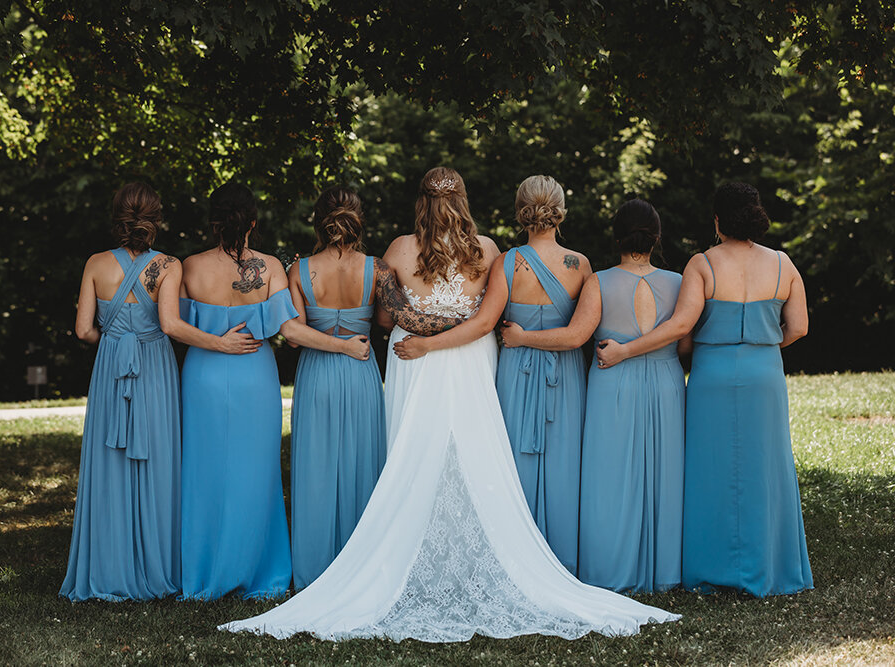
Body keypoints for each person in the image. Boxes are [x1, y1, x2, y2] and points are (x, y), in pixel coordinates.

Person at [220, 167, 678, 641]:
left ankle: (410, 557)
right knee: (472, 457)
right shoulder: (489, 250)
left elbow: (383, 316)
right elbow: (485, 320)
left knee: (411, 456)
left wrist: (419, 332)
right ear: (463, 198)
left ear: (420, 201)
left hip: (413, 358)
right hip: (468, 356)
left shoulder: (398, 249)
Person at [597, 182, 813, 597]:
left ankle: (711, 570)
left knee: (709, 470)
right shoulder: (784, 264)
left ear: (717, 221)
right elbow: (800, 327)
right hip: (764, 374)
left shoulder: (702, 263)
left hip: (712, 376)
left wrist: (625, 352)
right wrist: (763, 343)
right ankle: (767, 568)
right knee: (764, 469)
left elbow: (680, 327)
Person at [178, 183, 370, 601]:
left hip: (203, 376)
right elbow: (290, 330)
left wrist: (215, 341)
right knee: (257, 471)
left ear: (214, 221)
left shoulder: (188, 267)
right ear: (252, 223)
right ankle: (261, 571)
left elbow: (173, 327)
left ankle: (202, 572)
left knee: (203, 471)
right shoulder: (271, 268)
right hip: (254, 374)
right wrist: (344, 345)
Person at [391, 174, 590, 572]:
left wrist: (427, 339)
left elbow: (394, 314)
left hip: (465, 362)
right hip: (517, 366)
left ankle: (440, 550)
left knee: (471, 453)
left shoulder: (501, 261)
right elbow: (570, 332)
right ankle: (531, 552)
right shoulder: (506, 253)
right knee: (504, 452)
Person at [288, 185, 463, 591]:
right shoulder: (378, 269)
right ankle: (364, 565)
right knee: (363, 465)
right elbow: (398, 320)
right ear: (359, 220)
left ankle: (313, 570)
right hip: (361, 368)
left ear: (318, 220)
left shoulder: (298, 271)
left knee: (314, 466)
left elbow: (293, 336)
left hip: (316, 373)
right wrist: (465, 319)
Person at [508, 199, 686, 592]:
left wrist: (521, 337)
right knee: (665, 474)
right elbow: (686, 343)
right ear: (657, 238)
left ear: (616, 237)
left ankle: (608, 571)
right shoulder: (678, 283)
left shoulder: (599, 281)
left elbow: (575, 337)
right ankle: (664, 571)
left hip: (613, 381)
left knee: (609, 477)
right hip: (667, 383)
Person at [60, 182, 182, 601]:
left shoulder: (96, 264)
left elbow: (81, 330)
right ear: (156, 218)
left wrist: (112, 339)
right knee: (158, 458)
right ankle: (157, 566)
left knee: (109, 461)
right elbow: (170, 323)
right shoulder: (167, 265)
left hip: (112, 364)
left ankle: (109, 566)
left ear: (117, 217)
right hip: (154, 365)